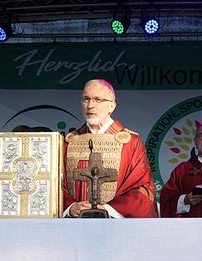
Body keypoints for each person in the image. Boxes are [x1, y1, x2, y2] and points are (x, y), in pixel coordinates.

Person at [63, 79, 156, 218]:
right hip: (74, 225)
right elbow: (55, 185)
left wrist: (107, 209)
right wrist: (70, 207)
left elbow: (143, 188)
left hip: (117, 226)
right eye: (86, 99)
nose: (90, 105)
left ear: (112, 106)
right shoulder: (68, 143)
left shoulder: (130, 143)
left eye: (98, 100)